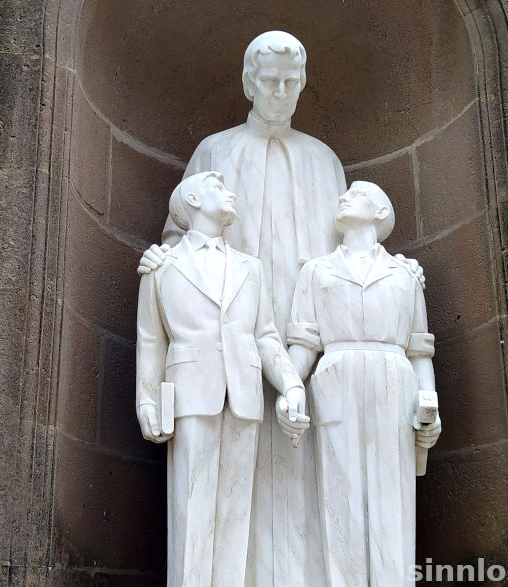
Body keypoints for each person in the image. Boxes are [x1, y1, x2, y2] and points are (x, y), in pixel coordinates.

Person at [137, 31, 425, 585]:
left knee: (311, 475)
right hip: (234, 343)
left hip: (308, 346)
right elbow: (178, 240)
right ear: (249, 82)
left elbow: (354, 249)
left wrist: (401, 276)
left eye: (292, 82)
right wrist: (158, 258)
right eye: (270, 81)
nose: (281, 91)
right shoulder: (214, 154)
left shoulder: (324, 160)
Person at [135, 171, 308, 587]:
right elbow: (150, 339)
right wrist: (146, 400)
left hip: (244, 393)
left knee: (236, 512)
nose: (231, 193)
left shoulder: (251, 267)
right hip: (191, 393)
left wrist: (291, 384)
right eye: (219, 186)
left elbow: (265, 336)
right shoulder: (161, 265)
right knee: (192, 510)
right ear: (192, 197)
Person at [286, 181, 441, 586]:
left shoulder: (405, 275)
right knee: (340, 504)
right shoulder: (315, 270)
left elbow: (419, 350)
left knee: (393, 502)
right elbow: (303, 346)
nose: (343, 197)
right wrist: (289, 387)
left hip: (394, 381)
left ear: (379, 211)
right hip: (335, 380)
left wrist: (429, 403)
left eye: (355, 194)